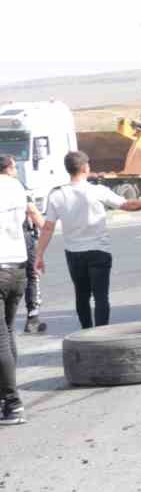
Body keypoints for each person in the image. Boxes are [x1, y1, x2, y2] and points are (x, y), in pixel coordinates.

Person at [34, 151, 141, 331]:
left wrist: (39, 255)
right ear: (86, 167)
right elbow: (127, 205)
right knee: (101, 296)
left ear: (68, 170)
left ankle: (87, 332)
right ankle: (101, 333)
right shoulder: (97, 191)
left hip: (74, 254)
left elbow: (47, 227)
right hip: (98, 251)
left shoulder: (57, 195)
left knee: (81, 295)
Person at [0, 155, 41, 425]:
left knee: (1, 339)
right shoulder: (16, 186)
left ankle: (12, 404)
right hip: (16, 269)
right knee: (8, 332)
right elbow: (35, 216)